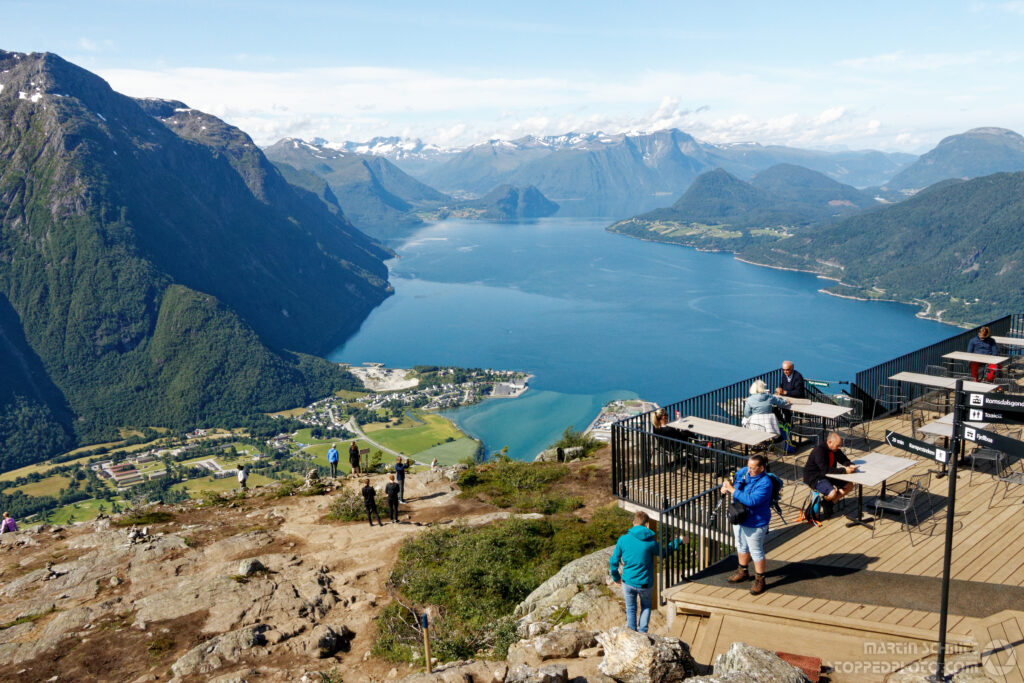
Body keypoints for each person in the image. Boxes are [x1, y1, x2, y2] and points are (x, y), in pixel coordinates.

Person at [609, 510, 686, 632]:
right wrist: (679, 541)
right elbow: (664, 552)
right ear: (647, 524)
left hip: (628, 581)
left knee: (631, 608)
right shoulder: (650, 542)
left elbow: (613, 561)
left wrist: (616, 577)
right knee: (645, 607)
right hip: (645, 583)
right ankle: (643, 633)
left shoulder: (623, 539)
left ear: (634, 522)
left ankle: (632, 633)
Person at [722, 454, 774, 595]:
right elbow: (733, 478)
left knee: (756, 551)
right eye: (748, 466)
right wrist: (725, 486)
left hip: (755, 522)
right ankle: (742, 571)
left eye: (752, 468)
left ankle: (760, 579)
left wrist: (733, 490)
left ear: (761, 468)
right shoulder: (745, 471)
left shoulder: (765, 483)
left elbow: (751, 500)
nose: (748, 470)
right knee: (741, 545)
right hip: (739, 517)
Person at [803, 432, 856, 503]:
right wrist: (844, 471)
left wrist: (850, 464)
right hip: (815, 477)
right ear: (830, 442)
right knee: (832, 493)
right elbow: (825, 469)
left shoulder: (834, 449)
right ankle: (827, 501)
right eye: (838, 445)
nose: (839, 447)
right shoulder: (819, 451)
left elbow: (843, 459)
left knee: (849, 485)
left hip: (829, 474)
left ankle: (827, 503)